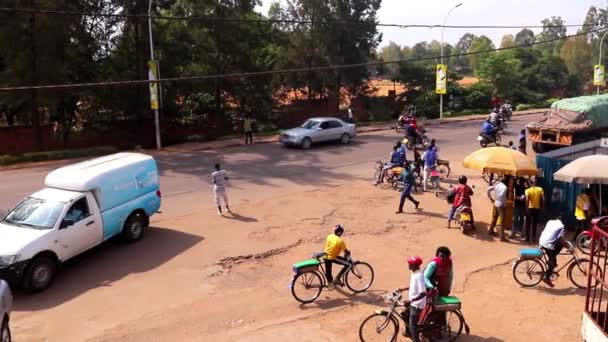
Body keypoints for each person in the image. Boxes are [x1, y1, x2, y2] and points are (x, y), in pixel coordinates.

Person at [396, 256, 427, 341]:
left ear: (415, 265)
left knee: (413, 326)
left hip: (417, 304)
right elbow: (413, 286)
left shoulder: (419, 276)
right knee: (404, 314)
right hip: (413, 302)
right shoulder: (414, 273)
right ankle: (408, 332)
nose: (408, 265)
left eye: (410, 264)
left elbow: (423, 293)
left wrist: (411, 301)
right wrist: (402, 289)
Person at [538, 216, 569, 288]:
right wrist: (568, 246)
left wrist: (564, 244)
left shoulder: (550, 221)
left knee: (560, 246)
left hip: (542, 240)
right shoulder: (561, 226)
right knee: (553, 262)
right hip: (548, 244)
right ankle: (547, 277)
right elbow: (560, 239)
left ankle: (551, 260)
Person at [487, 177, 509, 241]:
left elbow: (488, 190)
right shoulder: (505, 187)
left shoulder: (497, 185)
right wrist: (504, 203)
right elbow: (502, 196)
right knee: (502, 221)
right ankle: (502, 237)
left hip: (495, 203)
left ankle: (490, 230)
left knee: (494, 217)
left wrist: (490, 198)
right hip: (501, 205)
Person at [525, 178, 544, 243]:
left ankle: (527, 238)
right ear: (535, 182)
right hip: (537, 209)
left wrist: (526, 207)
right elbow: (543, 199)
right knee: (534, 224)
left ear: (530, 183)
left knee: (528, 224)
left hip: (530, 208)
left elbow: (527, 199)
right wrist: (541, 206)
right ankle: (533, 238)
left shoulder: (528, 190)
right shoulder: (540, 189)